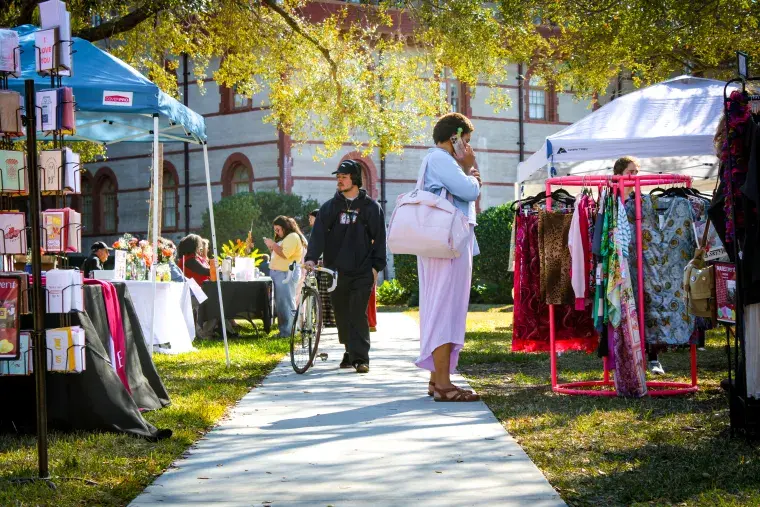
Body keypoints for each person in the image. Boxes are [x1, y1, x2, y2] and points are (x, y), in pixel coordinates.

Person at [417, 112, 481, 401]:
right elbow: (469, 190)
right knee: (445, 309)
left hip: (442, 244)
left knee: (441, 307)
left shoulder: (434, 160)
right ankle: (443, 384)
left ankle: (437, 380)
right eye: (465, 141)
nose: (467, 148)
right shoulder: (442, 159)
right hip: (448, 245)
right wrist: (471, 169)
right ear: (453, 138)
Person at [305, 159, 387, 374]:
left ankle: (360, 359)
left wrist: (376, 267)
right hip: (336, 271)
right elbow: (318, 236)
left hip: (362, 269)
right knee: (341, 314)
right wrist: (311, 258)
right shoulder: (330, 208)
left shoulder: (371, 208)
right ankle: (349, 351)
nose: (339, 181)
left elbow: (380, 239)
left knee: (357, 312)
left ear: (355, 179)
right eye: (338, 177)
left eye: (343, 177)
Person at [613, 156, 666, 375]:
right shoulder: (611, 200)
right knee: (623, 308)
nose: (634, 176)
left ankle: (653, 358)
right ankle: (625, 357)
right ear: (619, 174)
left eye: (636, 172)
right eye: (630, 172)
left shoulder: (642, 200)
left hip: (642, 260)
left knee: (647, 305)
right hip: (620, 262)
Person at [265, 216, 307, 337]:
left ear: (285, 227)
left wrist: (273, 245)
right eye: (275, 230)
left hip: (286, 273)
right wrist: (273, 246)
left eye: (278, 229)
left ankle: (288, 331)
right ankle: (286, 330)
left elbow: (284, 254)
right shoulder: (287, 237)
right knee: (283, 303)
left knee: (286, 303)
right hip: (281, 273)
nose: (276, 232)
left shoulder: (292, 237)